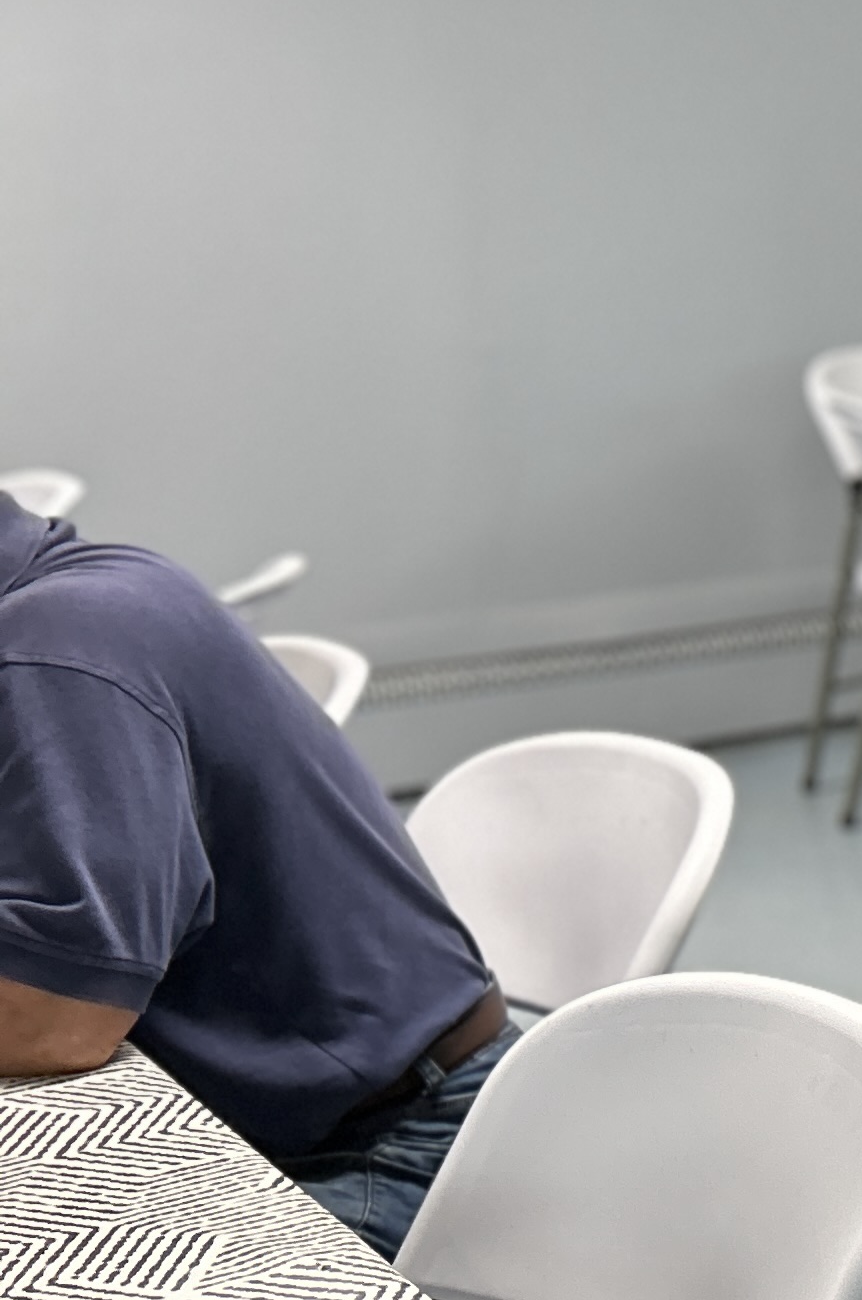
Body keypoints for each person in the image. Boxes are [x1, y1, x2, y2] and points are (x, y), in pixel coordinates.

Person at [0, 497, 508, 1259]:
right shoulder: (71, 592)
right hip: (326, 1098)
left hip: (392, 1142)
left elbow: (56, 1019)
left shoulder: (57, 657)